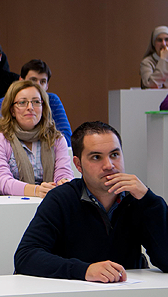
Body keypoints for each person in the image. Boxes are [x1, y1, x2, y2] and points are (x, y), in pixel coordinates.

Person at [14, 121, 168, 282]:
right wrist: (84, 270)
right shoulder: (61, 199)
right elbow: (26, 257)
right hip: (74, 296)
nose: (109, 165)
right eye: (96, 157)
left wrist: (149, 199)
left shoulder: (138, 199)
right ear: (78, 165)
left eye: (115, 155)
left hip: (128, 295)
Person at [0, 80, 73, 197]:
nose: (30, 107)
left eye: (36, 102)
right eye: (22, 102)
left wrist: (64, 182)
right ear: (12, 110)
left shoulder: (57, 139)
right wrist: (35, 191)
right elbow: (0, 179)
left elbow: (63, 172)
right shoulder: (0, 139)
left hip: (50, 203)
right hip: (10, 206)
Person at [0, 59, 72, 148]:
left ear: (47, 85)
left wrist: (34, 147)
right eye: (33, 80)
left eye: (42, 81)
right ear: (21, 81)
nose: (38, 85)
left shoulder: (52, 100)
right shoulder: (3, 102)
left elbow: (67, 139)